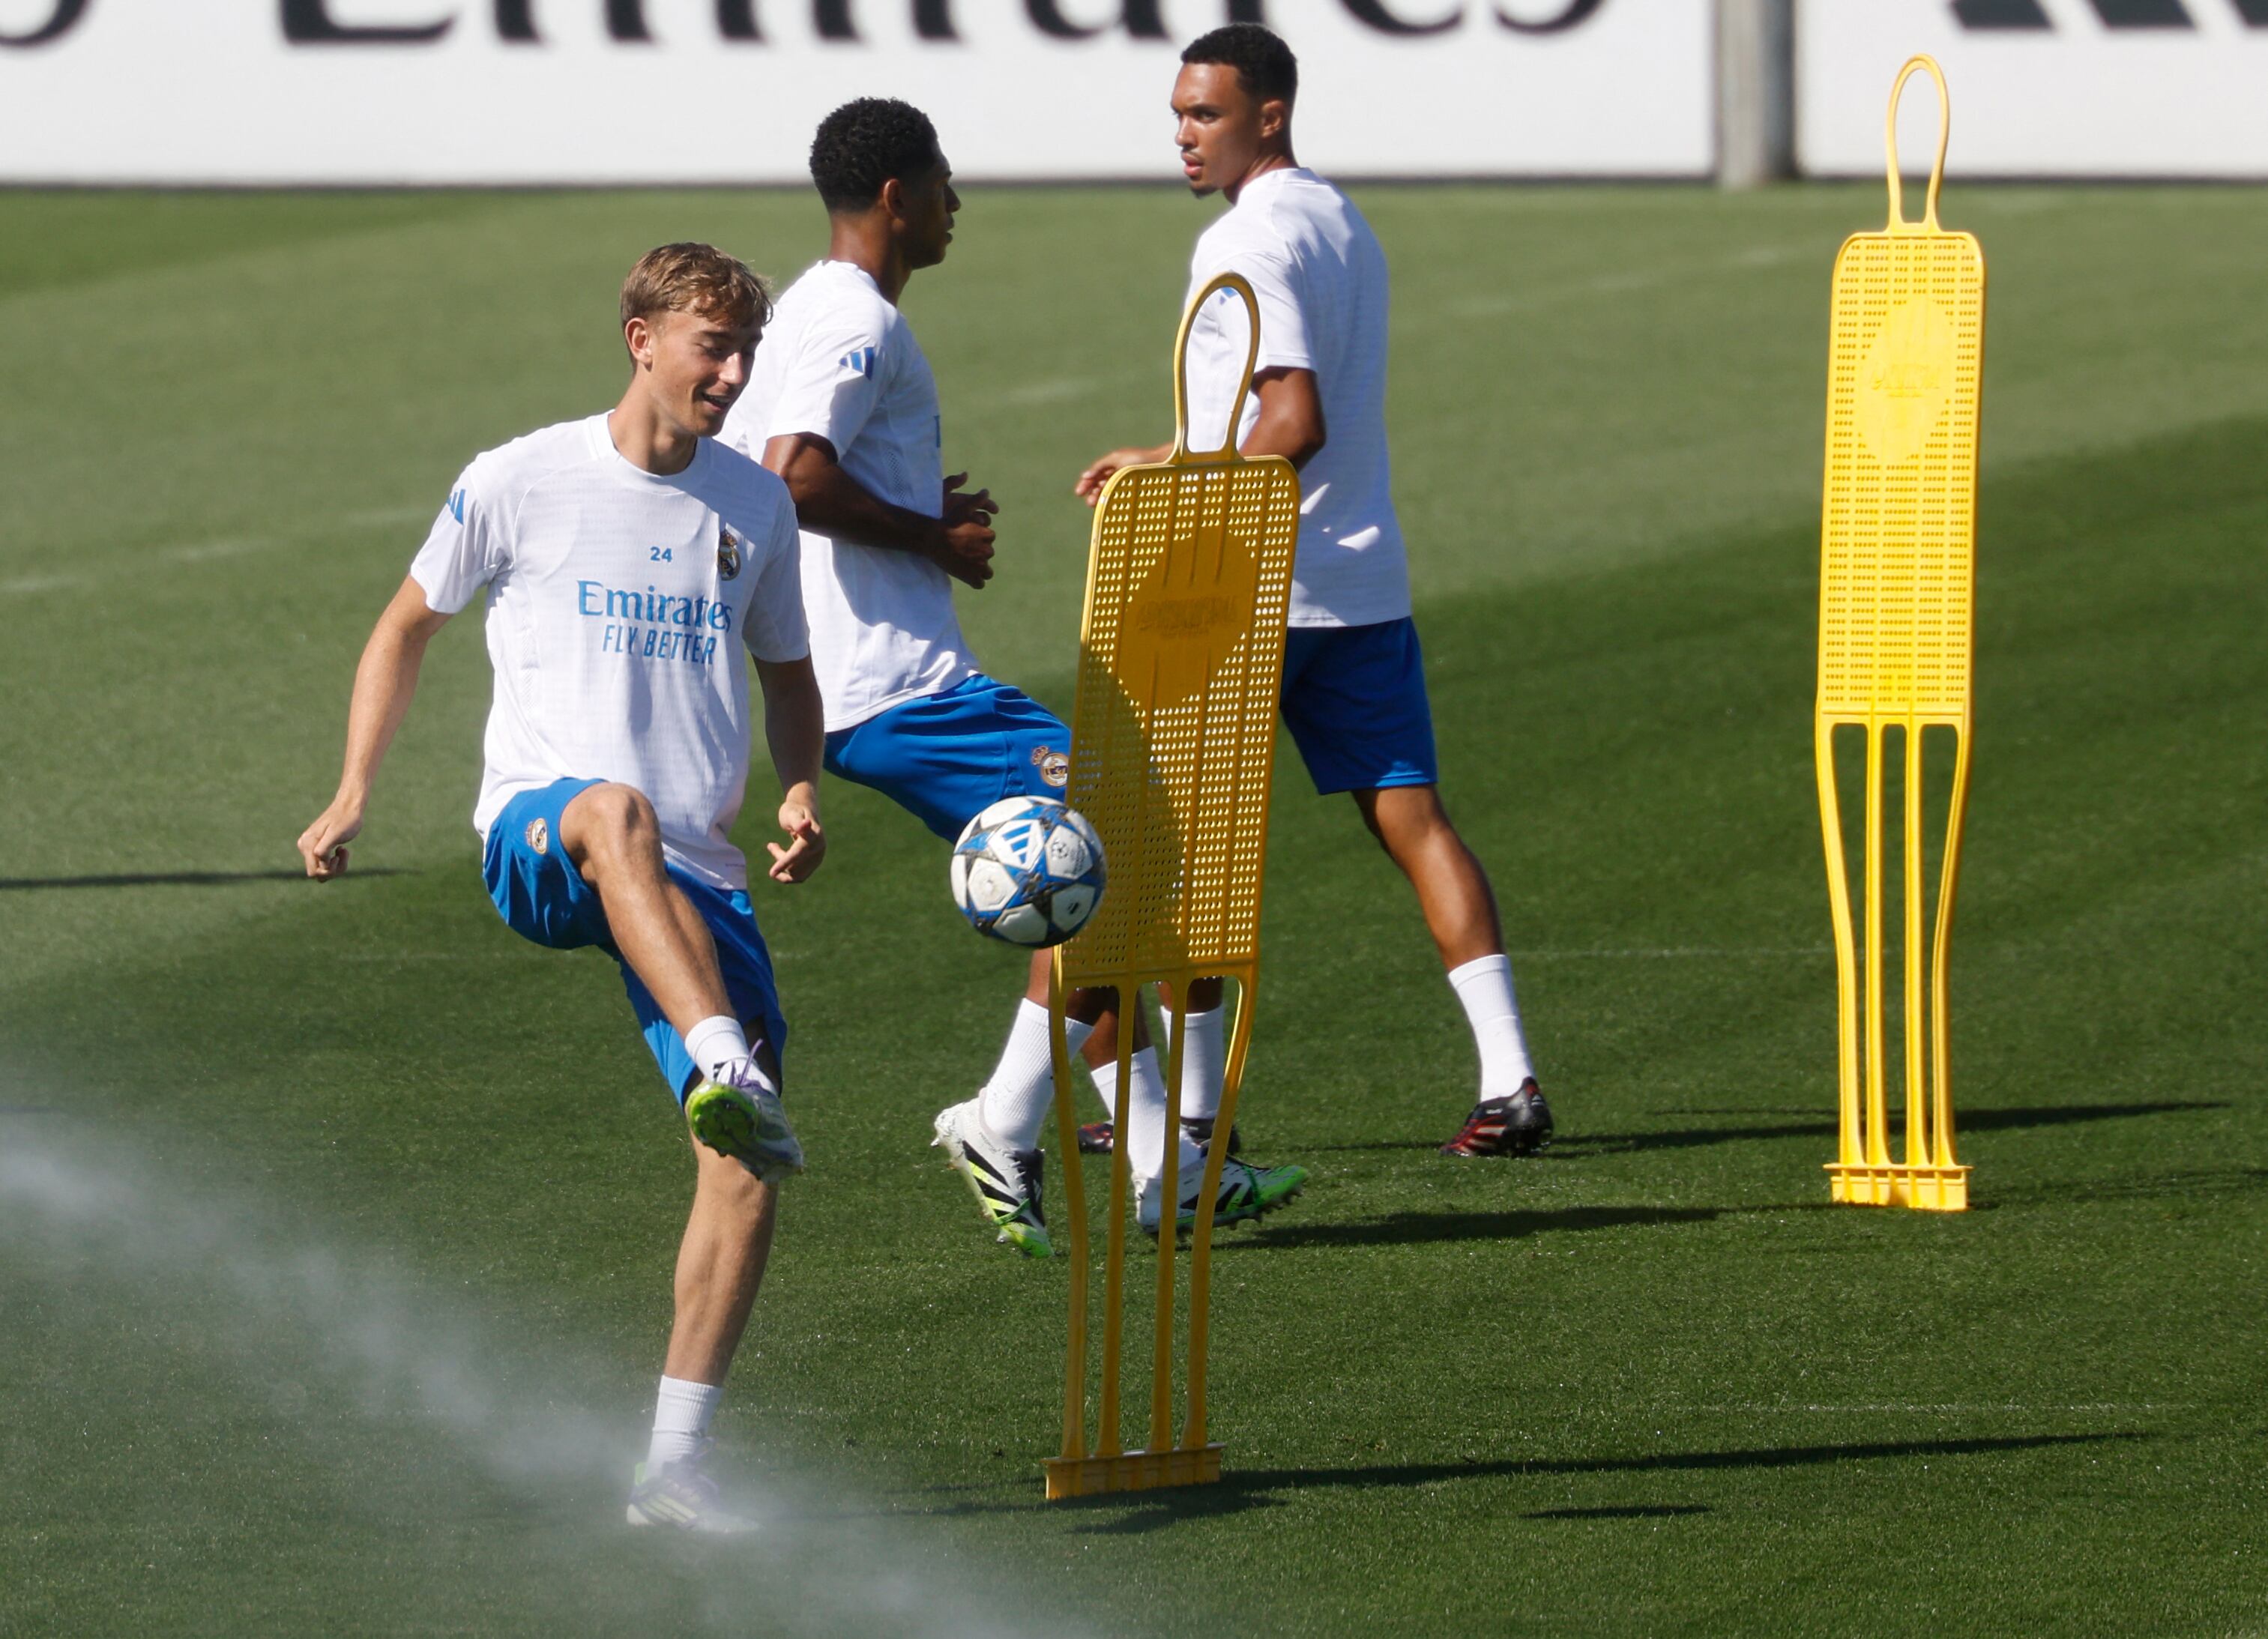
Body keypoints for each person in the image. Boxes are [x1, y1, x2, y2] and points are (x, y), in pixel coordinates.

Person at [296, 244, 824, 1533]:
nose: (734, 371)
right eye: (714, 346)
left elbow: (791, 675)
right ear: (641, 339)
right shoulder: (520, 479)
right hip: (543, 838)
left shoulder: (755, 507)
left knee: (743, 1172)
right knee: (611, 809)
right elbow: (403, 624)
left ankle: (674, 1469)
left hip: (691, 874)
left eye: (746, 349)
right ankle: (721, 1054)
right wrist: (356, 789)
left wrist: (801, 787)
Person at [722, 99, 1306, 1249]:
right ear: (897, 195)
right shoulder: (855, 320)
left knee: (1095, 881)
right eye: (942, 183)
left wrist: (910, 510)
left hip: (866, 679)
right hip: (898, 685)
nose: (956, 205)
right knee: (1125, 838)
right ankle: (1003, 1117)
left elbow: (774, 478)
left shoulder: (809, 306)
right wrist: (929, 540)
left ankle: (1160, 1165)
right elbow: (792, 478)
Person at [1076, 24, 1552, 1159]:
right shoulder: (1341, 219)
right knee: (1415, 822)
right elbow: (1255, 411)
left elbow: (1292, 421)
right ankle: (1511, 1077)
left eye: (1205, 114)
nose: (1184, 136)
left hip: (1251, 593)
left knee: (1184, 850)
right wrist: (1165, 455)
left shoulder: (1247, 238)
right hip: (1360, 577)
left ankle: (1190, 1116)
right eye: (1178, 115)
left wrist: (1185, 503)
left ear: (1268, 115)